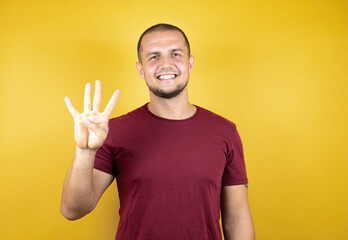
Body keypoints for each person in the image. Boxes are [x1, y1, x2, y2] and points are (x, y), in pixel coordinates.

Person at [61, 23, 255, 240]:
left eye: (175, 54)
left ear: (190, 63)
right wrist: (84, 152)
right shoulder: (112, 132)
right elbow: (73, 209)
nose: (166, 64)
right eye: (154, 56)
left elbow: (237, 218)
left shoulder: (225, 131)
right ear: (141, 69)